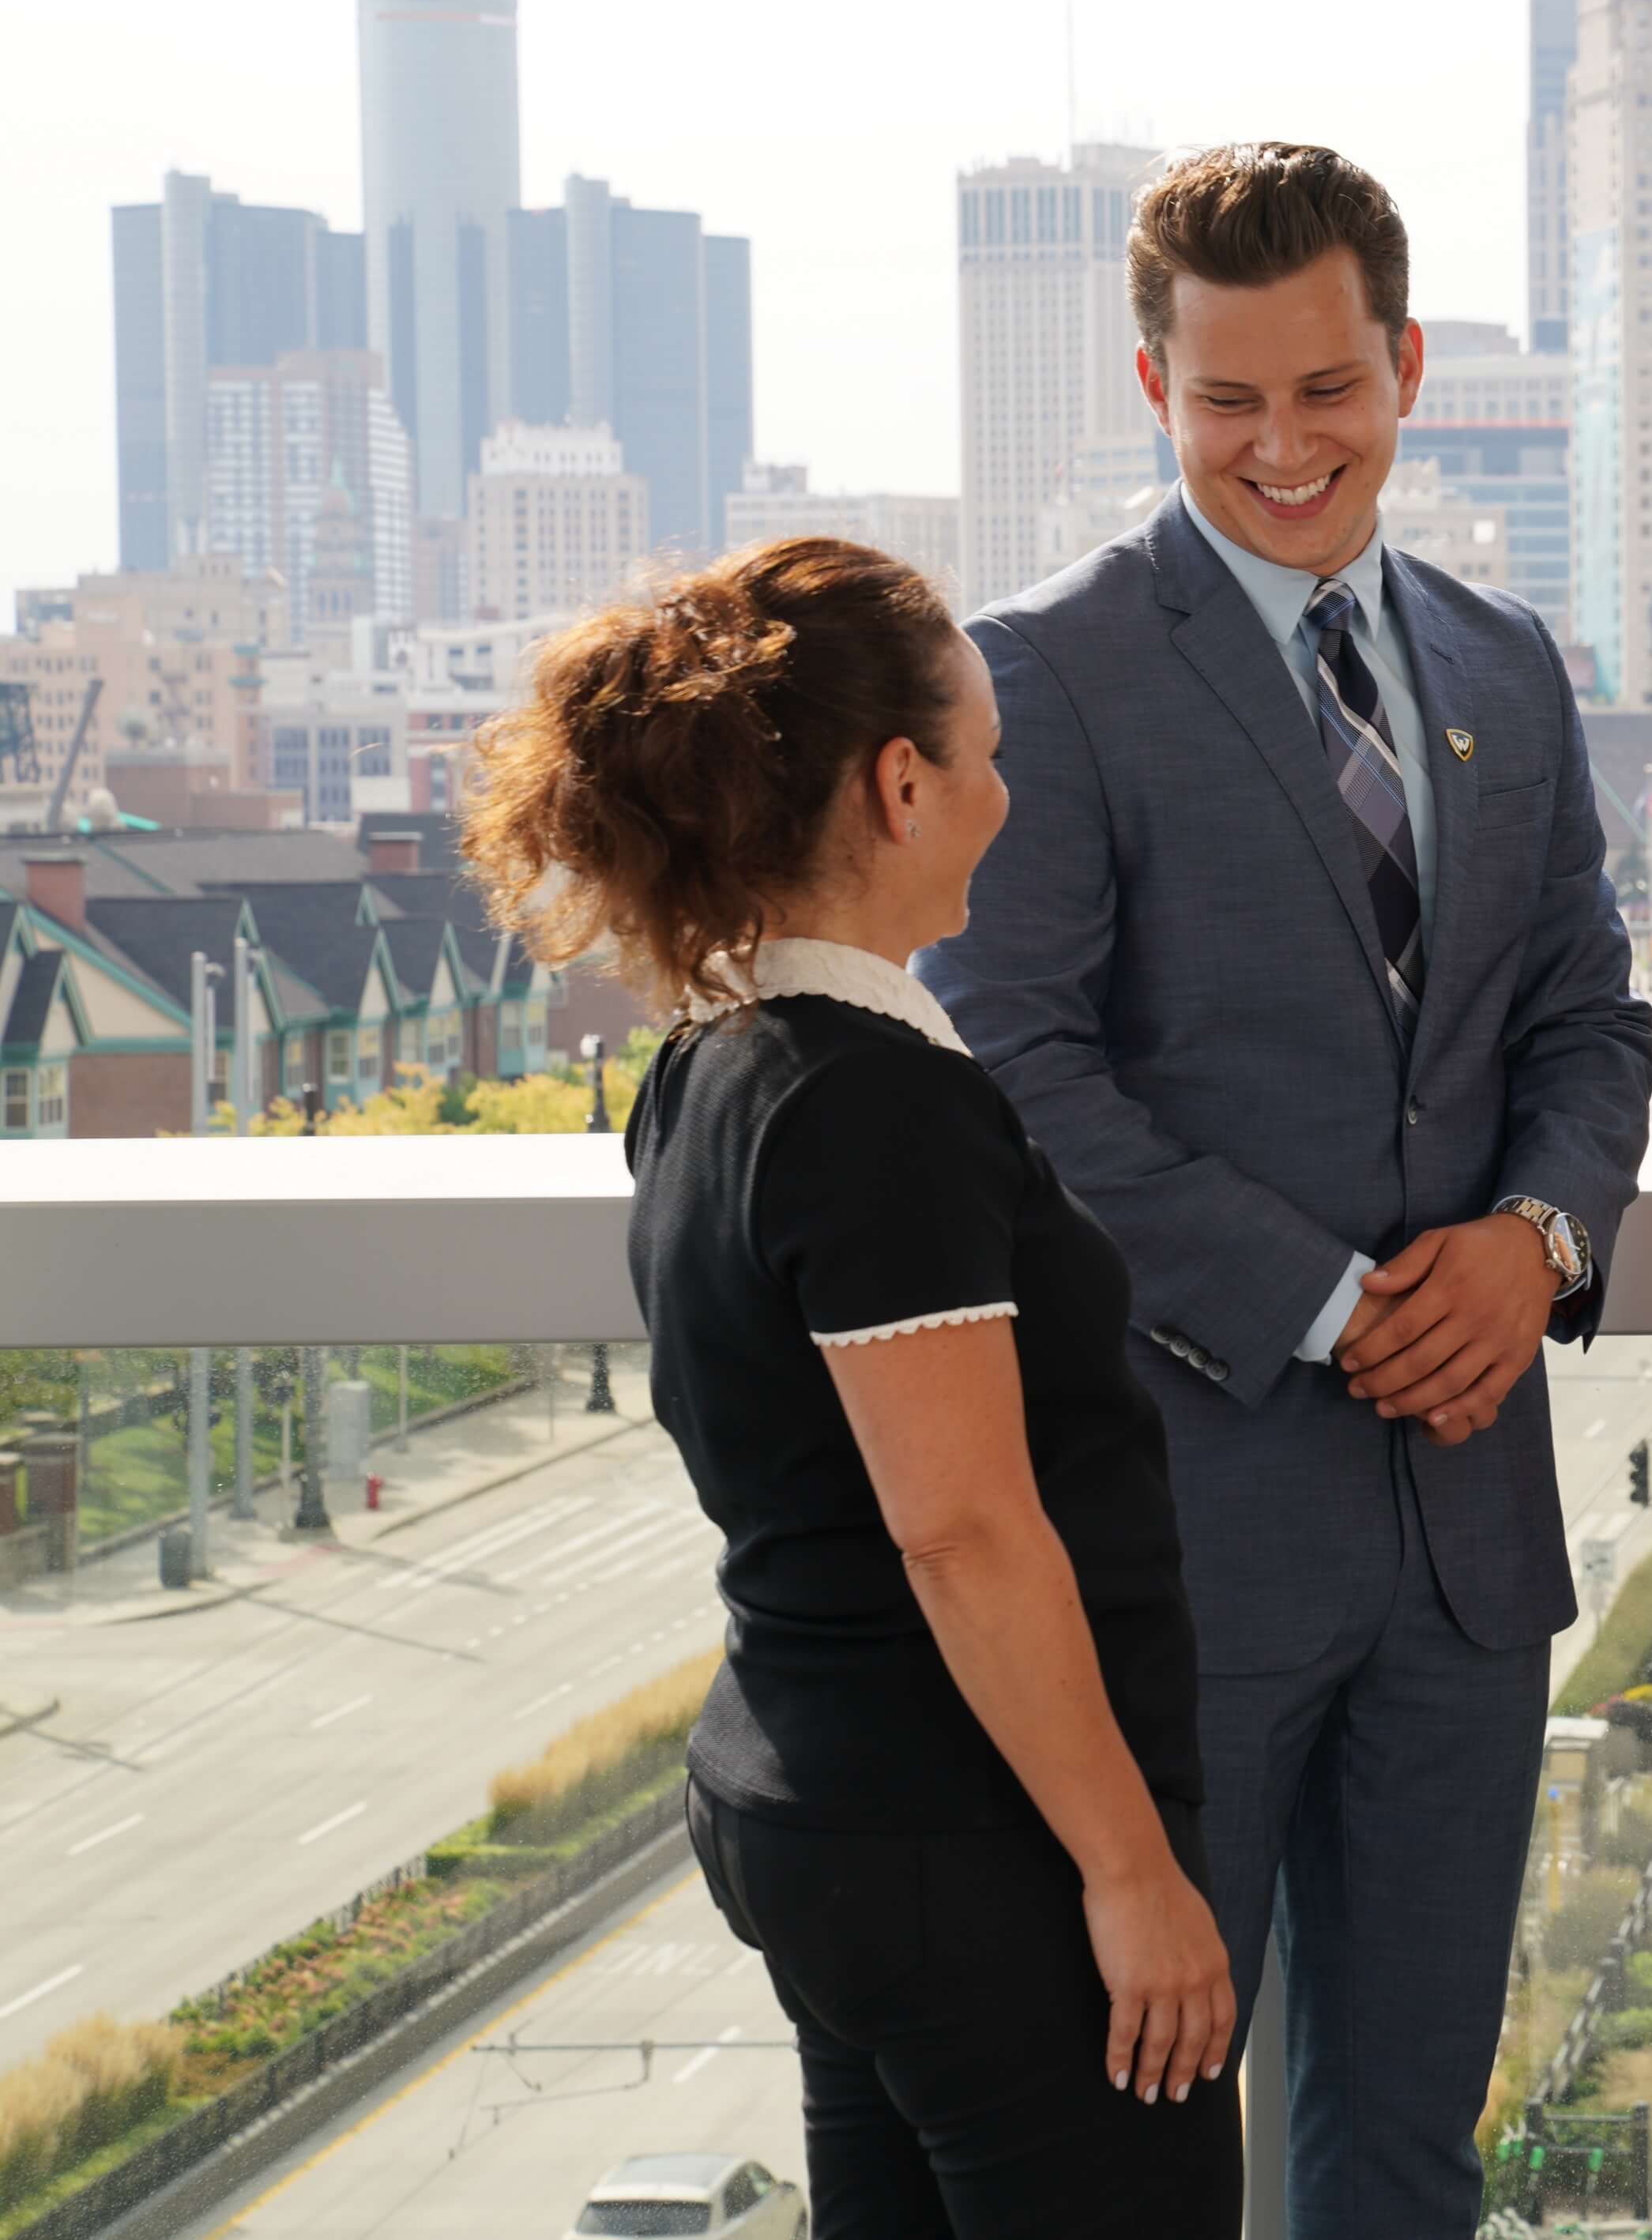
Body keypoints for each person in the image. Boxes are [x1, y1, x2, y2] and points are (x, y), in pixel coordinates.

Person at [916, 143, 1652, 2232]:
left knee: (1408, 2153)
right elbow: (1016, 1074)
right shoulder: (1039, 675)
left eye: (1323, 389)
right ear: (1154, 386)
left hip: (1465, 1545)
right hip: (1186, 1553)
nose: (1280, 446)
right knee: (1141, 2157)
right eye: (1224, 399)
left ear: (1405, 368)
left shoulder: (1507, 663)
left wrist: (1535, 1246)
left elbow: (1590, 1022)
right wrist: (1342, 1304)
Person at [463, 538, 1237, 2236]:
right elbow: (962, 1531)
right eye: (987, 756)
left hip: (823, 1812)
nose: (1002, 796)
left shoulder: (707, 1072)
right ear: (902, 783)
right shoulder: (873, 1107)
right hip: (969, 1847)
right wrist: (1129, 1871)